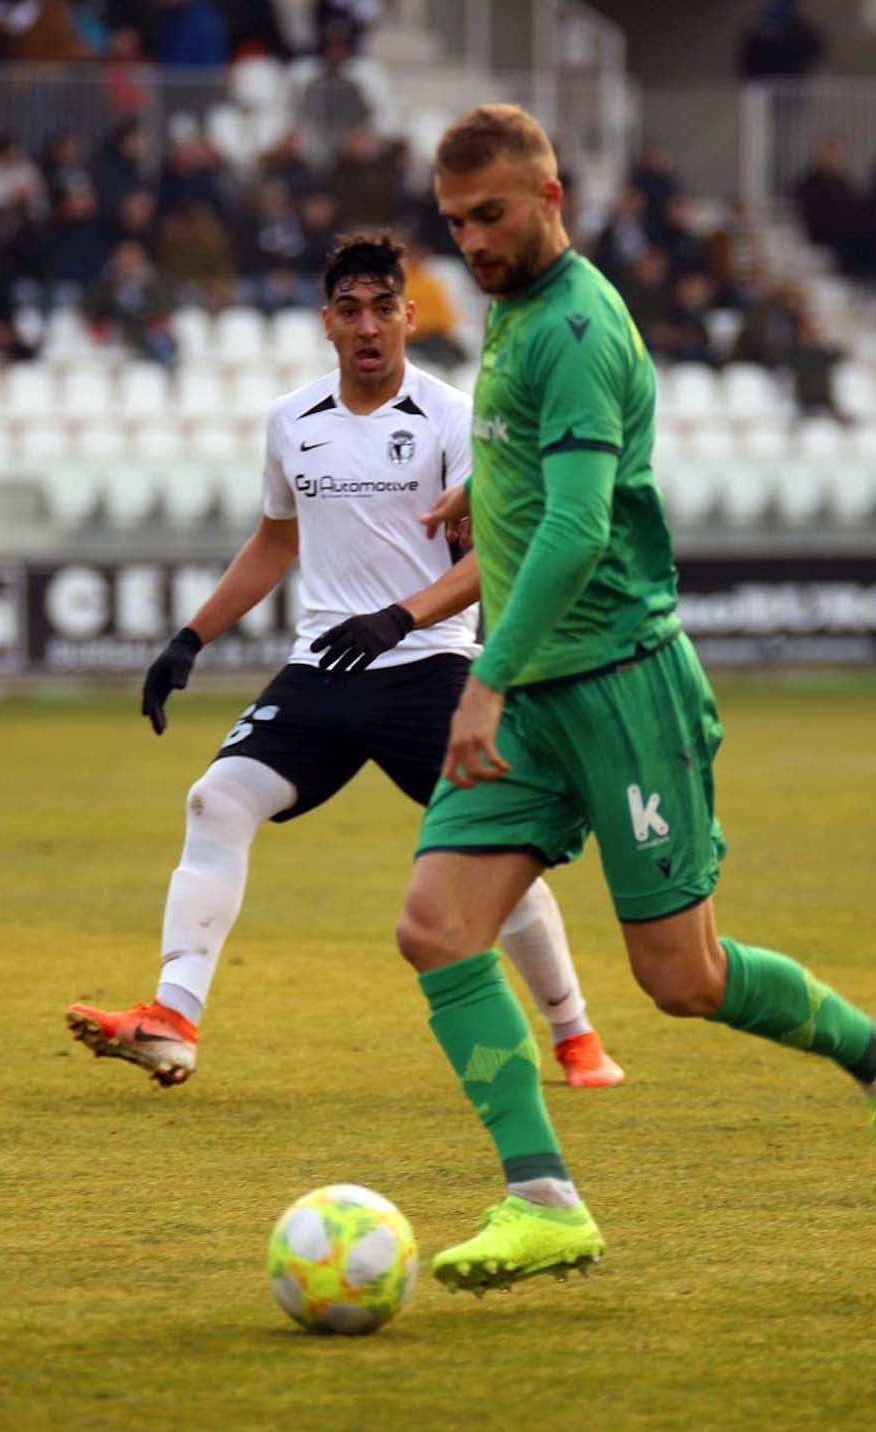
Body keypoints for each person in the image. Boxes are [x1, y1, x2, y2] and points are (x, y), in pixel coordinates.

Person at [402, 104, 876, 1295]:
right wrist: (483, 499)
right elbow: (539, 484)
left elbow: (585, 526)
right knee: (437, 926)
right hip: (541, 694)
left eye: (491, 216)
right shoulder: (510, 309)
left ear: (552, 196)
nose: (473, 242)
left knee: (680, 980)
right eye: (454, 224)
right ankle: (544, 1200)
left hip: (619, 688)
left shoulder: (581, 326)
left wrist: (482, 678)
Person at [66, 230, 625, 1095]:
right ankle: (173, 1020)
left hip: (432, 667)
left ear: (408, 315)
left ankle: (575, 1034)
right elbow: (274, 542)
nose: (368, 326)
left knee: (493, 854)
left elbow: (499, 553)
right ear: (328, 323)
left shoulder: (456, 416)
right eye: (350, 310)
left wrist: (398, 617)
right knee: (215, 799)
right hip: (324, 668)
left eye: (383, 308)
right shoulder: (293, 421)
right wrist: (190, 638)